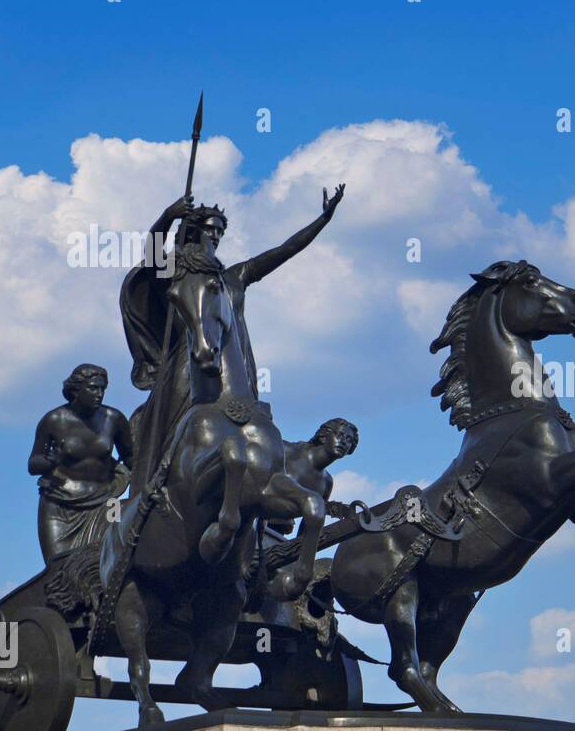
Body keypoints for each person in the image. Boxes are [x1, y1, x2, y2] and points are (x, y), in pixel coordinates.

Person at [118, 185, 345, 494]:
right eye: (210, 230)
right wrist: (167, 217)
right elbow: (151, 256)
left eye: (220, 232)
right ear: (196, 231)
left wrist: (322, 221)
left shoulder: (235, 276)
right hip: (190, 363)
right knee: (176, 427)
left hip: (232, 362)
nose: (215, 237)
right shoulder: (179, 271)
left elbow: (283, 251)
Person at [28, 364, 133, 562]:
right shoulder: (53, 420)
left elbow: (132, 459)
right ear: (76, 391)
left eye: (102, 389)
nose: (99, 394)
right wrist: (51, 461)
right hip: (59, 506)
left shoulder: (114, 419)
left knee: (116, 561)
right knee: (58, 570)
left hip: (108, 502)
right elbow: (33, 465)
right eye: (93, 388)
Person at [267, 418, 358, 534]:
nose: (344, 441)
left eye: (349, 440)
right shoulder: (286, 450)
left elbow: (309, 524)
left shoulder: (326, 482)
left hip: (275, 534)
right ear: (323, 436)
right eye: (340, 435)